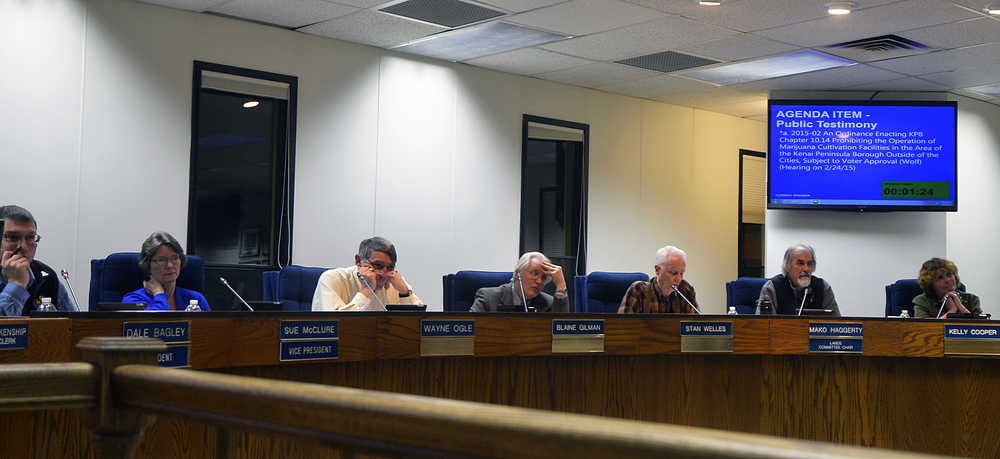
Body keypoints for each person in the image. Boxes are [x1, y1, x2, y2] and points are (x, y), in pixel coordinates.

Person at [0, 205, 77, 315]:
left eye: (30, 238)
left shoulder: (46, 277)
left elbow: (73, 326)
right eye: (12, 237)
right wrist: (17, 284)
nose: (23, 247)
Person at [312, 237, 421, 311]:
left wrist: (404, 293)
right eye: (377, 265)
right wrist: (366, 290)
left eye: (390, 267)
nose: (383, 274)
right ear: (358, 261)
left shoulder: (394, 281)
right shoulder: (332, 279)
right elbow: (337, 325)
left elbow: (417, 325)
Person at [123, 231, 211, 311]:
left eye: (175, 258)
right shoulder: (133, 300)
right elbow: (156, 324)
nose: (170, 265)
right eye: (161, 260)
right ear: (147, 264)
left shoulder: (196, 299)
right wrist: (159, 293)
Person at [469, 252, 569, 313]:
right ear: (518, 273)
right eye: (534, 273)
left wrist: (561, 285)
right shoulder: (489, 297)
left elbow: (560, 332)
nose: (539, 281)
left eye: (543, 277)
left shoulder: (547, 302)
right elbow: (470, 331)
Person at [758, 244, 840, 316]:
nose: (806, 268)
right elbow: (764, 326)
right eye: (800, 263)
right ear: (787, 266)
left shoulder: (823, 287)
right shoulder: (772, 287)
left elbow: (837, 325)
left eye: (809, 264)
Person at [619, 246, 698, 314]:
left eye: (681, 273)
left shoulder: (685, 290)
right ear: (657, 270)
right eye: (673, 273)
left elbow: (696, 326)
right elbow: (623, 327)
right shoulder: (638, 290)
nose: (678, 279)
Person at [912, 257, 981, 319]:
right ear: (930, 284)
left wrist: (960, 306)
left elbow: (980, 328)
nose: (947, 280)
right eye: (940, 278)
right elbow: (924, 328)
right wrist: (952, 310)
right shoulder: (922, 301)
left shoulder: (971, 299)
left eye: (949, 274)